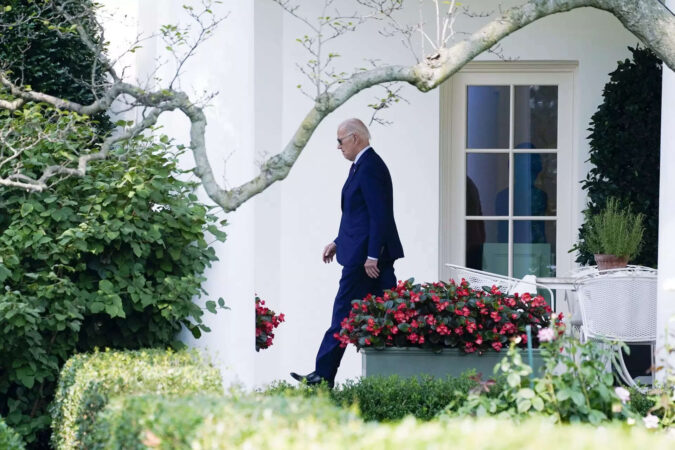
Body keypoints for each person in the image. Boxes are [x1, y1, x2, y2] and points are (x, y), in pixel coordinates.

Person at [290, 118, 404, 388]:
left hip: (365, 261)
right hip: (364, 254)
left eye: (340, 141)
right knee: (388, 313)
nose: (338, 147)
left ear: (355, 139)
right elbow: (358, 216)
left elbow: (380, 216)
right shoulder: (361, 166)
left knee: (344, 312)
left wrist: (373, 255)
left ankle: (322, 375)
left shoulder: (370, 167)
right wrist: (338, 241)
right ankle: (384, 379)